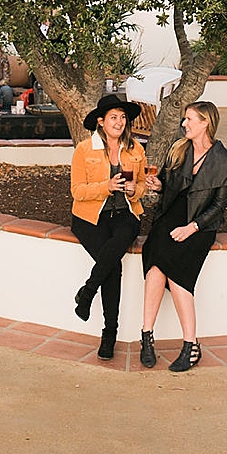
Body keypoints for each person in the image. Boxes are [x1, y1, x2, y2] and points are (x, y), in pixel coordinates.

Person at [140, 101, 227, 373]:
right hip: (171, 215)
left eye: (190, 119)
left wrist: (191, 228)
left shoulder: (224, 159)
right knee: (156, 261)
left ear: (205, 122)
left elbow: (219, 206)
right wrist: (159, 186)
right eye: (185, 119)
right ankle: (147, 336)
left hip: (200, 224)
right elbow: (172, 186)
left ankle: (191, 345)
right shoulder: (180, 149)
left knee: (177, 269)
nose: (185, 124)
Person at [70, 94, 146, 360]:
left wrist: (136, 189)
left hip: (125, 213)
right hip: (90, 217)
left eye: (123, 117)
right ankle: (109, 333)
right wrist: (107, 187)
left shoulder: (135, 148)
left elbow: (143, 184)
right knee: (112, 266)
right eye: (113, 117)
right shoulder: (84, 149)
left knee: (121, 240)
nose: (120, 122)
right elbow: (77, 191)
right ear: (101, 122)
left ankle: (88, 291)